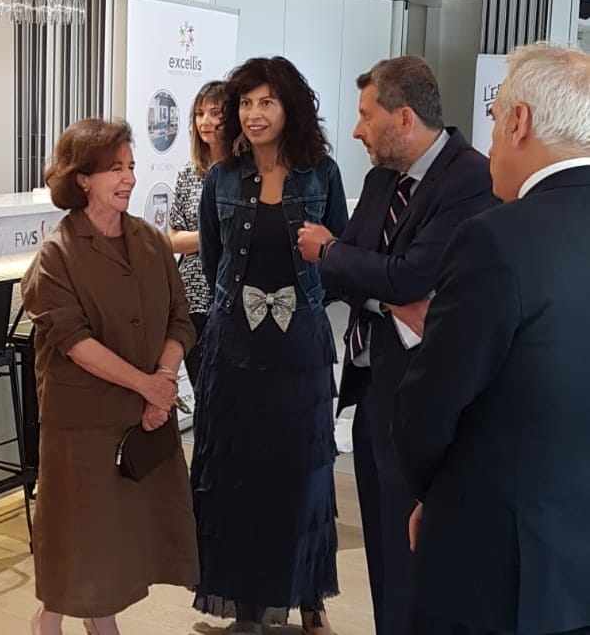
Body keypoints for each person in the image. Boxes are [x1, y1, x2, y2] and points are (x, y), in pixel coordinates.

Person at [393, 43, 590, 635]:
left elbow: (431, 406)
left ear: (519, 122)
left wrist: (435, 493)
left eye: (496, 116)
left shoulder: (497, 239)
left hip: (498, 565)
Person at [297, 55, 497, 635]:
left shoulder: (471, 180)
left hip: (423, 394)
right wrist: (377, 287)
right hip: (371, 389)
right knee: (383, 550)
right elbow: (358, 277)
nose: (356, 130)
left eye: (366, 115)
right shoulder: (382, 179)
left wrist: (335, 252)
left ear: (404, 118)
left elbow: (409, 274)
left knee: (415, 556)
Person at [22, 118, 198, 635]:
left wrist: (162, 380)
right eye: (114, 169)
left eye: (131, 167)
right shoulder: (57, 254)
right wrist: (149, 387)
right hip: (82, 420)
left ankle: (99, 621)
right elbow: (74, 342)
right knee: (76, 530)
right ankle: (50, 619)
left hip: (144, 414)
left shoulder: (150, 241)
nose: (128, 178)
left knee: (121, 535)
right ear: (82, 179)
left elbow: (180, 319)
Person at [192, 56, 348, 635]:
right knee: (238, 473)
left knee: (302, 473)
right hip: (234, 345)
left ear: (290, 108)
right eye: (245, 103)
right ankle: (247, 606)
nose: (253, 114)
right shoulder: (221, 178)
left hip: (300, 346)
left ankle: (309, 597)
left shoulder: (322, 174)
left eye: (267, 102)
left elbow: (338, 256)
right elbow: (214, 262)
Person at [168, 80, 226, 386]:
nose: (205, 121)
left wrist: (196, 239)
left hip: (229, 293)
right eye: (200, 114)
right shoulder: (188, 174)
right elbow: (172, 240)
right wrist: (215, 236)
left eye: (215, 113)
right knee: (202, 389)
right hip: (192, 295)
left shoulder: (246, 175)